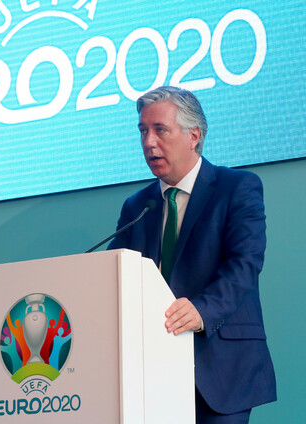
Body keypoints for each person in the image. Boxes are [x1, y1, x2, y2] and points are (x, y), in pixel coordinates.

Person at [108, 86, 276, 423]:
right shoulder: (137, 206)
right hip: (150, 372)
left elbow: (244, 264)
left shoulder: (237, 188)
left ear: (193, 136)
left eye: (160, 130)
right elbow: (116, 275)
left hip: (220, 367)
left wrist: (202, 309)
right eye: (143, 130)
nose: (148, 142)